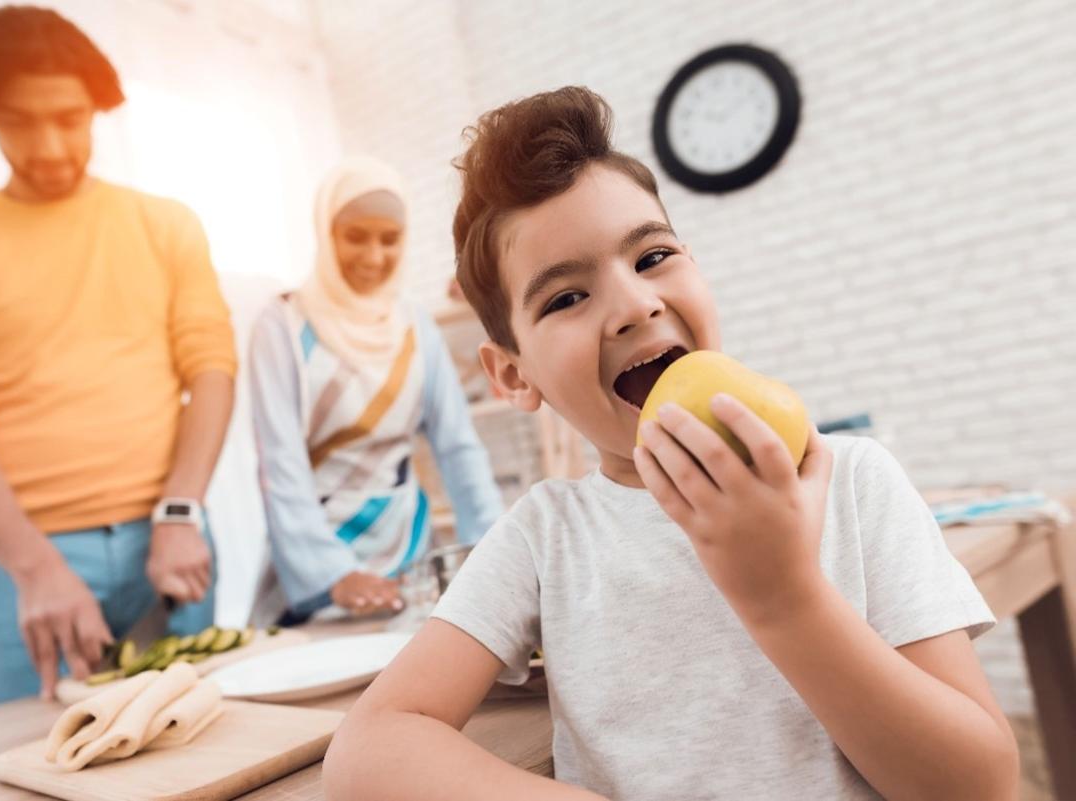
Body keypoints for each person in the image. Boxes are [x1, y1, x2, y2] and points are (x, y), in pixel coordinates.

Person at [322, 88, 1018, 799]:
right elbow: (367, 751)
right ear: (512, 373)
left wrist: (784, 597)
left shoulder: (851, 480)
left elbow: (979, 784)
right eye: (565, 297)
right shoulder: (545, 535)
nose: (634, 304)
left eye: (652, 256)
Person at [0, 6, 236, 706]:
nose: (50, 145)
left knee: (193, 748)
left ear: (97, 109)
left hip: (167, 539)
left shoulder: (166, 224)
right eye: (20, 120)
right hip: (17, 561)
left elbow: (210, 367)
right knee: (38, 762)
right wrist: (34, 566)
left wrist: (179, 513)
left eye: (71, 118)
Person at [248, 156, 502, 625]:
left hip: (409, 557)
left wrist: (493, 552)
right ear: (326, 234)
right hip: (312, 563)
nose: (373, 256)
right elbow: (280, 466)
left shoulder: (415, 327)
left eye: (389, 240)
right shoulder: (280, 325)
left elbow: (458, 446)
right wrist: (332, 576)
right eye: (356, 236)